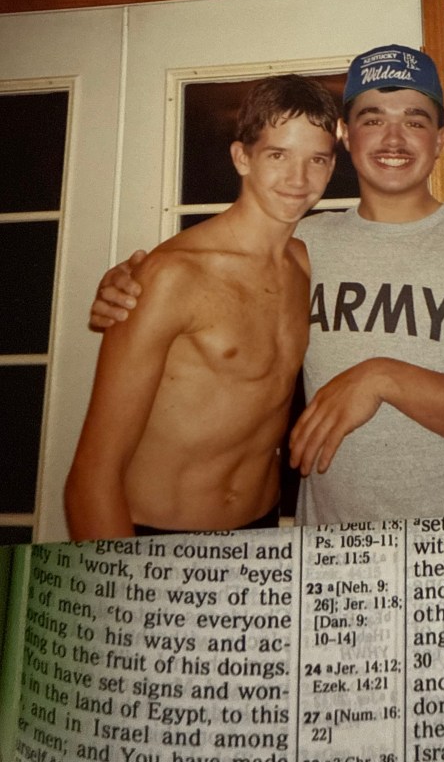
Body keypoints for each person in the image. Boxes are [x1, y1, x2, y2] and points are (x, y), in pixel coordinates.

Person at [92, 45, 444, 524]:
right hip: (331, 550)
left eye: (415, 121)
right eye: (372, 119)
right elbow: (212, 264)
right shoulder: (302, 245)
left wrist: (383, 378)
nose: (393, 138)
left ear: (439, 139)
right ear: (346, 137)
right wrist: (132, 280)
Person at [66, 75, 337, 538]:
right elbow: (92, 476)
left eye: (317, 159)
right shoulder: (171, 276)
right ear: (242, 157)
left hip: (262, 527)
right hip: (159, 535)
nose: (299, 179)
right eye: (278, 155)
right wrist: (123, 579)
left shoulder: (309, 265)